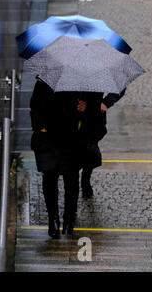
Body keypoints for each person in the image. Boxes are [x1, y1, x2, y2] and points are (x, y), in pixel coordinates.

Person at [30, 76, 103, 238]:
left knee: (71, 181)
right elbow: (35, 106)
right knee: (50, 178)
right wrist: (40, 127)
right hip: (49, 138)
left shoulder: (86, 82)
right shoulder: (45, 79)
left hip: (73, 139)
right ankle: (53, 219)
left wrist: (87, 108)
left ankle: (69, 219)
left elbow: (97, 112)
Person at [80, 89, 126, 197]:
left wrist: (105, 103)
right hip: (72, 116)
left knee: (90, 151)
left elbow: (120, 87)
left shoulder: (99, 74)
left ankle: (85, 181)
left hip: (93, 117)